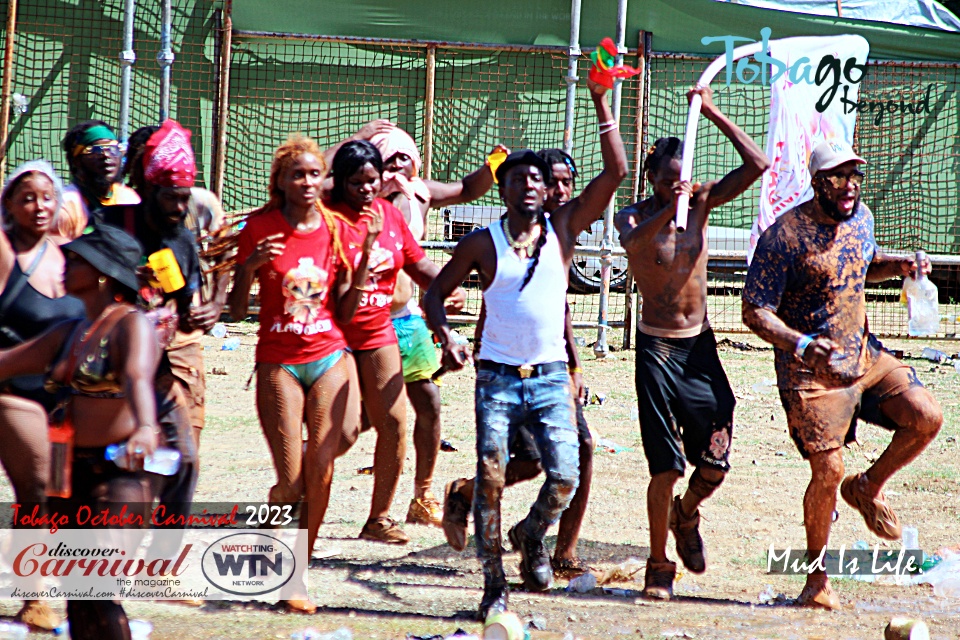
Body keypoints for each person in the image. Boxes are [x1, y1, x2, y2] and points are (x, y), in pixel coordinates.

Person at [423, 77, 627, 619]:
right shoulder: (480, 243)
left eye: (538, 179)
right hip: (495, 377)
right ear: (505, 189)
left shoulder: (563, 230)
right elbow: (435, 295)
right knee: (492, 474)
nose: (531, 185)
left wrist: (602, 101)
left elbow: (615, 174)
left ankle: (532, 535)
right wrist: (448, 334)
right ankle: (493, 584)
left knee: (564, 475)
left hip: (552, 377)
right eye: (519, 178)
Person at [742, 139, 943, 610]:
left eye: (855, 175)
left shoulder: (862, 217)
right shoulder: (784, 237)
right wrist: (801, 343)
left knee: (926, 416)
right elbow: (754, 310)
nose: (849, 185)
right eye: (837, 176)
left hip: (864, 358)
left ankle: (868, 486)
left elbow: (859, 264)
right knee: (828, 469)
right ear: (817, 183)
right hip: (809, 371)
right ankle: (816, 582)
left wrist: (896, 267)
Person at [614, 86, 769, 600]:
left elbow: (757, 164)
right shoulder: (634, 215)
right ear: (651, 178)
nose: (672, 186)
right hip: (656, 349)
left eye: (678, 179)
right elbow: (633, 244)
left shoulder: (701, 202)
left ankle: (686, 515)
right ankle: (658, 566)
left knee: (714, 462)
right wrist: (670, 206)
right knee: (666, 466)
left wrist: (712, 109)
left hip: (697, 345)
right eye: (663, 179)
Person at [0, 224, 187, 640]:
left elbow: (139, 376)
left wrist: (144, 426)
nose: (64, 266)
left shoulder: (130, 324)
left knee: (98, 588)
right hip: (72, 479)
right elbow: (8, 361)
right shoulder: (71, 332)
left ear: (103, 272)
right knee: (79, 596)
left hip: (121, 476)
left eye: (77, 260)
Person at [229, 134, 379, 613]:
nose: (310, 182)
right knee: (292, 481)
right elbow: (234, 311)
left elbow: (348, 311)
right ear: (282, 181)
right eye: (299, 174)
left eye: (317, 174)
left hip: (330, 354)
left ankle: (295, 575)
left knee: (323, 470)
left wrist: (364, 259)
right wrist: (249, 268)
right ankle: (277, 517)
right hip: (278, 360)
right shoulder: (260, 227)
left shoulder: (338, 229)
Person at [441, 148, 595, 579]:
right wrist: (467, 345)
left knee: (574, 455)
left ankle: (549, 545)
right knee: (523, 465)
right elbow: (499, 305)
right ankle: (478, 508)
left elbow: (558, 309)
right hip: (506, 367)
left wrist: (575, 368)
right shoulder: (497, 240)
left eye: (567, 182)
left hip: (551, 368)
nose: (561, 190)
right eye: (555, 182)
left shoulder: (560, 232)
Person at [326, 122, 485, 527]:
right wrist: (356, 142)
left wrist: (449, 289)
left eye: (404, 156)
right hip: (354, 325)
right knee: (358, 421)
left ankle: (420, 497)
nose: (398, 164)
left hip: (405, 320)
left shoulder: (417, 197)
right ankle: (312, 464)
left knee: (424, 403)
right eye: (387, 157)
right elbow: (319, 174)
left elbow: (466, 192)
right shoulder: (341, 207)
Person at [0, 160, 84, 631]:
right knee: (35, 486)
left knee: (57, 494)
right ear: (9, 205)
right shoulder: (4, 253)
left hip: (64, 400)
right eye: (27, 197)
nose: (39, 206)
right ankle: (33, 597)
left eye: (47, 197)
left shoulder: (73, 257)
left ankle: (31, 569)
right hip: (11, 390)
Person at [123, 124, 230, 449]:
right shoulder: (116, 220)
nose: (179, 206)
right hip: (124, 347)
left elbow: (221, 255)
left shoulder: (187, 226)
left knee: (184, 452)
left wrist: (211, 306)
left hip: (179, 347)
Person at [54, 120, 140, 242]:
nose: (106, 155)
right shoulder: (65, 205)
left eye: (113, 148)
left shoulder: (129, 199)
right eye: (96, 150)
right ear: (76, 161)